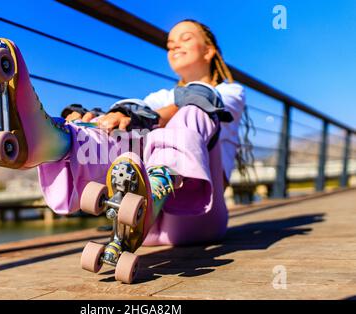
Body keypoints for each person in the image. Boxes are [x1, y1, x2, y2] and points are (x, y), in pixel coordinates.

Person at [38, 19, 247, 245]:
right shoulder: (160, 96)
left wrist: (144, 117)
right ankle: (60, 143)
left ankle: (158, 186)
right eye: (169, 44)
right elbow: (136, 110)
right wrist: (106, 119)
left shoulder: (231, 91)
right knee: (125, 122)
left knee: (198, 107)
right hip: (142, 223)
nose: (175, 46)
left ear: (208, 51)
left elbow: (193, 100)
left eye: (185, 39)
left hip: (195, 216)